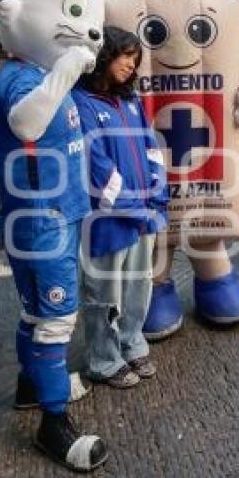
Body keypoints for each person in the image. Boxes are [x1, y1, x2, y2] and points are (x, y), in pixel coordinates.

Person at [72, 27, 169, 389]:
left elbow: (152, 149)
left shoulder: (131, 101)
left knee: (138, 286)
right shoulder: (79, 102)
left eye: (135, 59)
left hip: (141, 216)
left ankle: (131, 343)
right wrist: (137, 205)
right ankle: (103, 359)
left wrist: (157, 195)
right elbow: (95, 167)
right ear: (103, 56)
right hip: (107, 221)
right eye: (125, 56)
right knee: (103, 294)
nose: (131, 65)